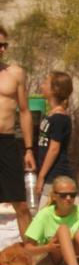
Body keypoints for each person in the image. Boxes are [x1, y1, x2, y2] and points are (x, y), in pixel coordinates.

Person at [0, 26, 35, 239]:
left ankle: (33, 260)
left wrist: (29, 149)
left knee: (20, 203)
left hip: (6, 142)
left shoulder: (15, 73)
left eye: (4, 45)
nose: (2, 49)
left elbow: (24, 111)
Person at [34, 71, 74, 207]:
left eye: (46, 83)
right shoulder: (51, 114)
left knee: (48, 218)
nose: (42, 86)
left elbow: (54, 149)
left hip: (56, 175)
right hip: (48, 173)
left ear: (55, 89)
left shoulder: (60, 118)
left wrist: (41, 176)